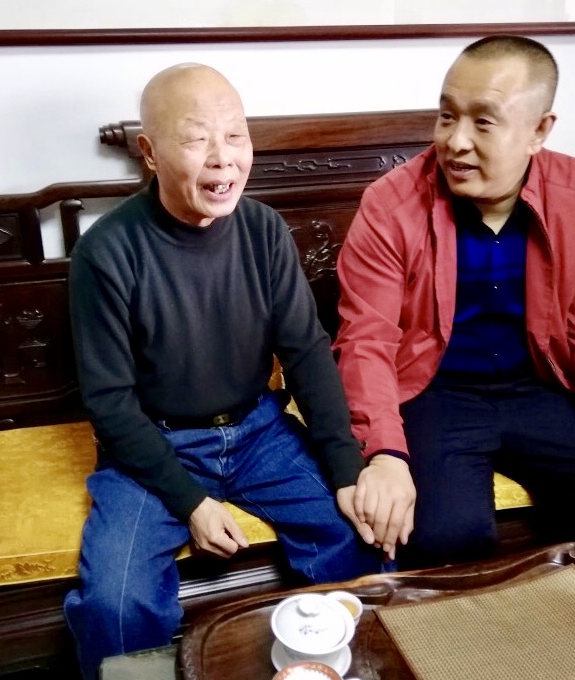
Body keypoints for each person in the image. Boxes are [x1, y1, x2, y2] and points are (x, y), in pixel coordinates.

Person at [64, 63, 394, 680]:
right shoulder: (106, 251)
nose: (223, 158)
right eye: (196, 139)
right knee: (115, 602)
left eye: (236, 135)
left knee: (359, 538)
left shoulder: (264, 231)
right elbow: (109, 404)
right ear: (150, 153)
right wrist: (191, 502)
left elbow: (307, 354)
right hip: (153, 443)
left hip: (258, 431)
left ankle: (341, 669)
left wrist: (347, 470)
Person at [333, 36, 575, 570]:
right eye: (447, 116)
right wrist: (385, 453)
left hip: (542, 387)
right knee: (442, 538)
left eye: (483, 122)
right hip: (435, 391)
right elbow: (367, 341)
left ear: (539, 131)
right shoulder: (391, 204)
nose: (455, 141)